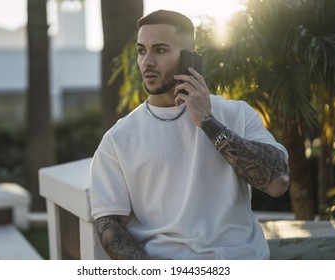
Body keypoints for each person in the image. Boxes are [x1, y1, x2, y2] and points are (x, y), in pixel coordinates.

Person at [89, 9, 290, 260]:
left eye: (160, 50)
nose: (147, 62)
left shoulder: (236, 114)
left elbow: (277, 183)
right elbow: (109, 225)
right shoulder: (118, 139)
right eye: (142, 50)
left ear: (190, 59)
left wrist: (208, 123)